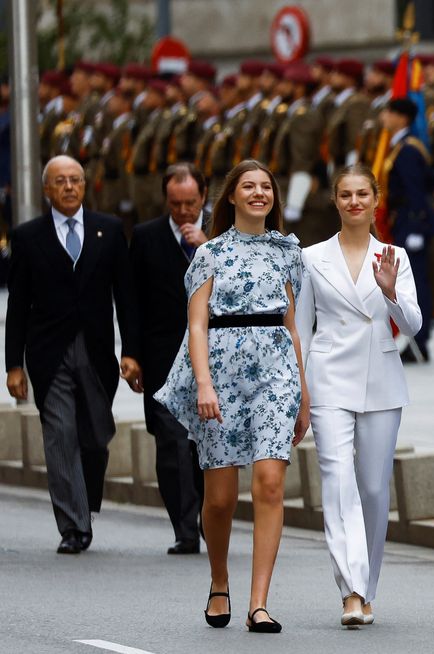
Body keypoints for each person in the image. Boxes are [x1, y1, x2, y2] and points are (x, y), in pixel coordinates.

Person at [154, 159, 309, 633]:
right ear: (232, 197)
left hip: (275, 373)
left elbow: (291, 325)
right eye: (249, 186)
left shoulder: (287, 251)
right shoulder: (211, 253)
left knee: (269, 483)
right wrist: (203, 383)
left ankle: (258, 602)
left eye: (266, 186)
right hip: (221, 375)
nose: (259, 193)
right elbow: (196, 325)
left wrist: (302, 394)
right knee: (219, 499)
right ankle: (220, 580)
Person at [295, 164, 422, 627]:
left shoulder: (395, 256)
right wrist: (301, 392)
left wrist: (390, 293)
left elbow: (414, 326)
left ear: (375, 199)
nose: (354, 202)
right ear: (335, 200)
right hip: (328, 378)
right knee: (337, 481)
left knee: (371, 489)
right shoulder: (310, 258)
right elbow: (302, 328)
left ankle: (368, 587)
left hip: (382, 379)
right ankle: (350, 590)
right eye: (345, 194)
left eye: (362, 194)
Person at [5, 155, 142, 554]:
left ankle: (86, 501)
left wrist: (132, 351)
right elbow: (17, 303)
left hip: (97, 350)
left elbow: (126, 296)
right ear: (47, 189)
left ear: (85, 186)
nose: (68, 187)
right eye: (60, 181)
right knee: (60, 436)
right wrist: (14, 364)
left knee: (97, 436)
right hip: (49, 352)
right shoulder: (28, 236)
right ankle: (74, 526)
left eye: (75, 180)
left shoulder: (109, 230)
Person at [130, 163, 210, 554]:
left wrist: (206, 244)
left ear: (204, 197)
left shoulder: (223, 236)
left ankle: (212, 517)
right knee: (172, 445)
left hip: (214, 358)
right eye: (176, 204)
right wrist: (131, 354)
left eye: (190, 203)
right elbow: (132, 302)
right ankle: (185, 529)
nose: (183, 212)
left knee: (207, 445)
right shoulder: (145, 237)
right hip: (163, 357)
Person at [379, 98, 434, 362]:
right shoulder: (400, 146)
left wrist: (416, 225)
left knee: (415, 284)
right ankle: (413, 341)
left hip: (411, 221)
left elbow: (417, 191)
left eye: (388, 112)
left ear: (402, 117)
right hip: (401, 219)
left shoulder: (409, 150)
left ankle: (419, 341)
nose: (384, 117)